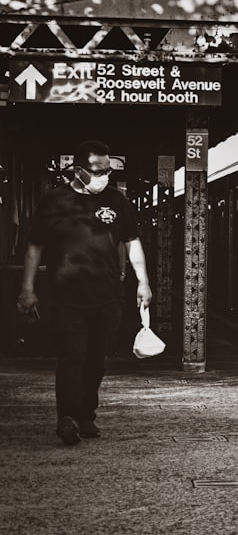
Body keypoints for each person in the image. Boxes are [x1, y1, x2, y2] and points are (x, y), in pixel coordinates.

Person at [16, 140, 152, 445]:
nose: (105, 175)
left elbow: (132, 243)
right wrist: (27, 289)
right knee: (71, 357)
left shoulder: (117, 200)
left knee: (96, 360)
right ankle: (66, 418)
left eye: (108, 170)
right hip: (65, 297)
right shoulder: (54, 202)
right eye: (98, 170)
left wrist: (143, 281)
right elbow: (35, 246)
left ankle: (86, 414)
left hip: (108, 296)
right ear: (78, 170)